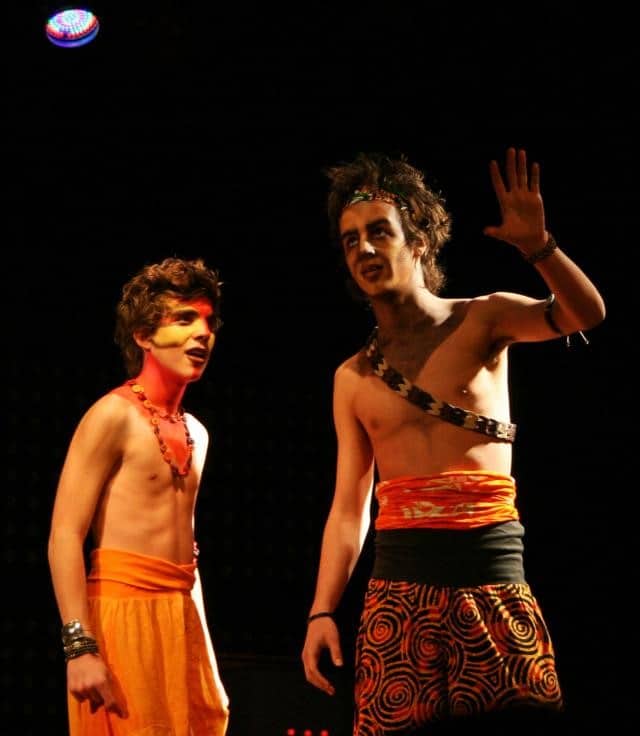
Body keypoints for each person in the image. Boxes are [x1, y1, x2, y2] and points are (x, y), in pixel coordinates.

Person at [301, 148, 606, 734]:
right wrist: (322, 611)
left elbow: (585, 314)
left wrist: (538, 248)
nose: (364, 249)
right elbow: (348, 508)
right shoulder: (352, 378)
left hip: (491, 580)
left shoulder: (485, 319)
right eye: (351, 239)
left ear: (417, 241)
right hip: (399, 594)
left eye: (379, 232)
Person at [48, 257, 230, 736]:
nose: (202, 333)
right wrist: (79, 648)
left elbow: (188, 559)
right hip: (122, 617)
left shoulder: (198, 434)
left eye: (208, 321)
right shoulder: (112, 416)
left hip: (181, 617)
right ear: (145, 336)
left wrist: (205, 656)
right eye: (184, 319)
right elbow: (65, 534)